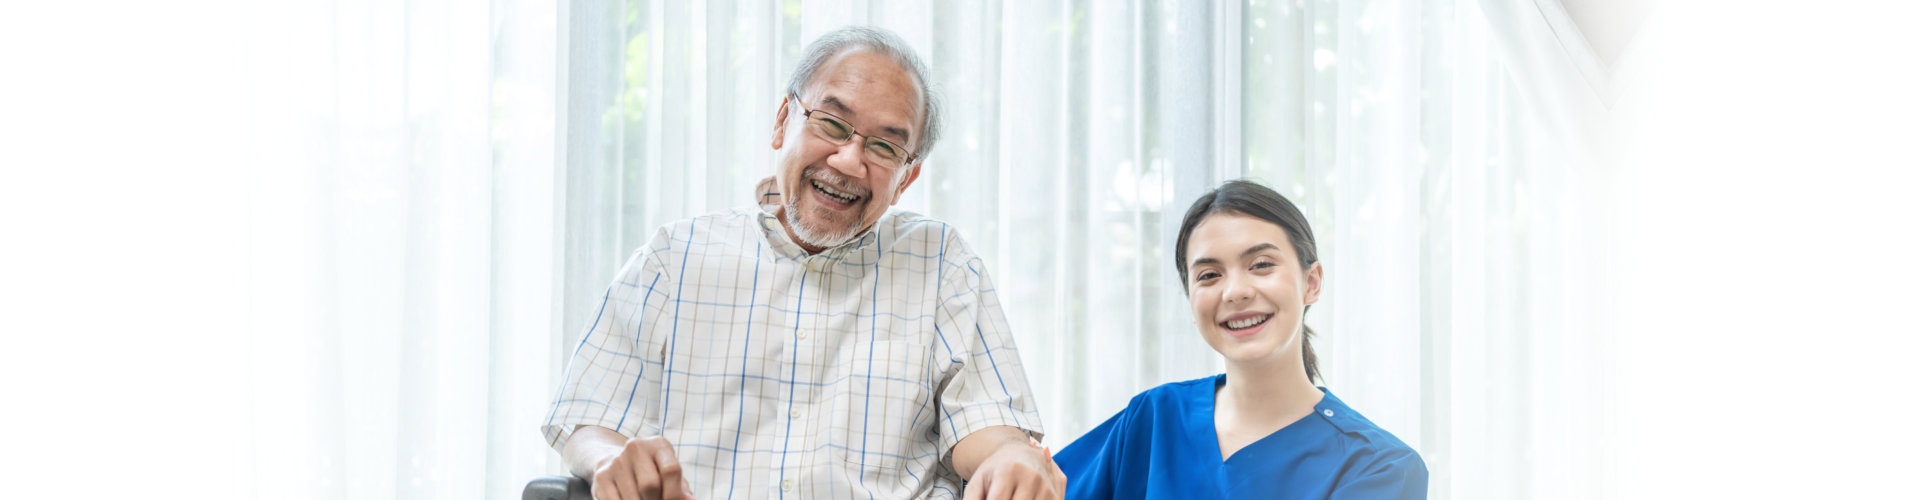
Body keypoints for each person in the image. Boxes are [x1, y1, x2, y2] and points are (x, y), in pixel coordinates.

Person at [542, 26, 1064, 500]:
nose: (848, 160)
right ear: (782, 122)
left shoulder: (943, 263)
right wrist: (612, 461)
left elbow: (988, 428)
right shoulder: (674, 257)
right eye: (833, 124)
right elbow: (588, 418)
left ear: (906, 179)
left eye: (884, 146)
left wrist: (1012, 455)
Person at [1053, 180, 1427, 499]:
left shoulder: (1379, 468)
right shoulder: (1154, 419)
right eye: (1209, 275)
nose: (1235, 292)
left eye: (1261, 265)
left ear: (1311, 283)